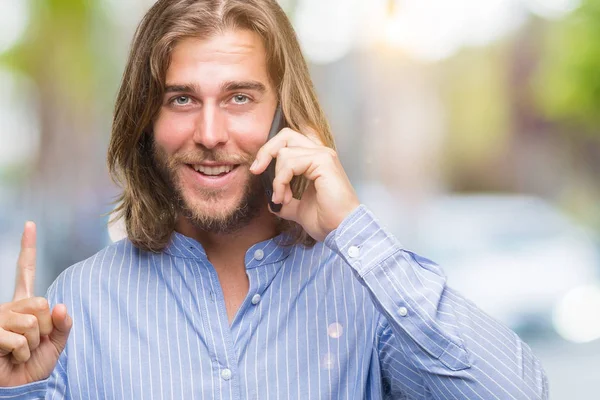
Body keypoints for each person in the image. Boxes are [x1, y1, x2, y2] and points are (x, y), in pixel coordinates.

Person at [0, 0, 548, 398]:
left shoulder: (365, 294)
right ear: (147, 120)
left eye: (240, 97)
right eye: (182, 98)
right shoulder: (81, 304)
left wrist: (354, 230)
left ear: (286, 116)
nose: (210, 132)